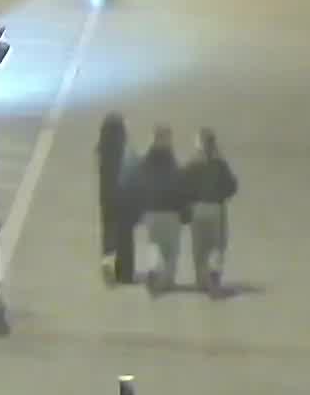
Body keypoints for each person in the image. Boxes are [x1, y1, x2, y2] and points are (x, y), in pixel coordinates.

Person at [128, 126, 186, 294]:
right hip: (170, 211)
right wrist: (184, 209)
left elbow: (137, 184)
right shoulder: (172, 161)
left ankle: (153, 273)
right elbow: (180, 185)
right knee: (171, 249)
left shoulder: (145, 161)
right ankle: (168, 280)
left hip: (151, 210)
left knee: (154, 244)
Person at [180, 129, 239, 296]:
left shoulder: (191, 164)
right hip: (215, 208)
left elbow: (182, 186)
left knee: (199, 248)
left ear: (198, 144)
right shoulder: (220, 164)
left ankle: (201, 282)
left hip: (197, 208)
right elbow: (232, 186)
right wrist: (222, 196)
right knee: (216, 246)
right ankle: (214, 281)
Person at [95, 114, 134, 286]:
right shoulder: (124, 151)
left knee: (108, 230)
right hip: (123, 197)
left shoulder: (101, 151)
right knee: (123, 233)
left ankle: (107, 262)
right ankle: (124, 272)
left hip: (106, 196)